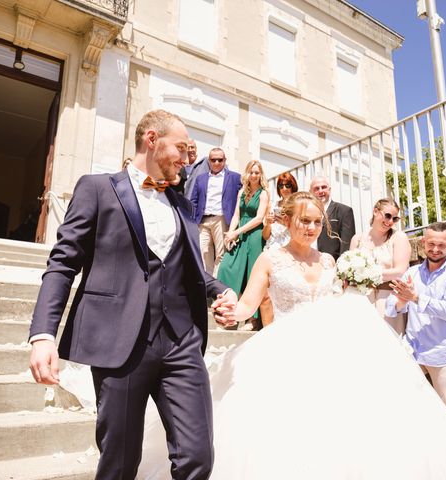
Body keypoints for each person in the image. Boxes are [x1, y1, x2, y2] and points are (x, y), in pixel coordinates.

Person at [135, 191, 446, 479]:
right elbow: (248, 305)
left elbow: (340, 306)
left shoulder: (330, 263)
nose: (311, 227)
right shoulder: (270, 259)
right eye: (305, 220)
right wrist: (232, 313)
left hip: (327, 354)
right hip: (285, 352)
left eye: (317, 222)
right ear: (288, 221)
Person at [28, 109, 237, 480]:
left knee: (197, 458)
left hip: (181, 342)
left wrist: (220, 290)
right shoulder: (97, 188)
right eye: (182, 148)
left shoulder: (183, 204)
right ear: (152, 140)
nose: (189, 159)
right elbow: (62, 263)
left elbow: (189, 268)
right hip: (119, 340)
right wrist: (44, 334)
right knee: (120, 462)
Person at [385, 222, 446, 405]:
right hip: (412, 351)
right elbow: (391, 306)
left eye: (441, 245)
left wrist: (415, 297)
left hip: (442, 355)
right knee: (408, 405)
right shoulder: (412, 272)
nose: (435, 249)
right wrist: (403, 299)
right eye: (431, 244)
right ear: (423, 242)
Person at [217, 160, 269, 330]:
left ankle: (252, 320)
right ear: (247, 173)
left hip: (254, 235)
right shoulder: (241, 192)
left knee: (251, 274)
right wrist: (229, 234)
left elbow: (259, 218)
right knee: (226, 267)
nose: (254, 175)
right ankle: (227, 311)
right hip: (239, 233)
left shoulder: (263, 194)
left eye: (257, 172)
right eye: (252, 172)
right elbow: (236, 215)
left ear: (261, 175)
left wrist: (237, 232)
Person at [349, 198, 411, 335]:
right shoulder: (357, 239)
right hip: (362, 300)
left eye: (395, 219)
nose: (390, 222)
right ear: (376, 211)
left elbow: (400, 271)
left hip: (387, 301)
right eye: (387, 215)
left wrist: (370, 274)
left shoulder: (398, 237)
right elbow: (350, 270)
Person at [189, 148, 241, 276]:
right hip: (203, 221)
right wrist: (193, 221)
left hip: (222, 219)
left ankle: (217, 288)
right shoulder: (201, 178)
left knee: (221, 254)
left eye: (220, 160)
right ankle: (209, 285)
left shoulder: (235, 177)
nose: (217, 162)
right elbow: (193, 201)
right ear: (208, 161)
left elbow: (244, 197)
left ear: (225, 160)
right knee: (202, 251)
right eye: (213, 160)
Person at [260, 172, 298, 326]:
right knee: (267, 291)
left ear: (293, 186)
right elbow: (265, 236)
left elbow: (300, 231)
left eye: (287, 185)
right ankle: (266, 326)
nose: (284, 189)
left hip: (289, 247)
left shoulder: (298, 204)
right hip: (273, 247)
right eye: (281, 186)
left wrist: (286, 224)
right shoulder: (273, 205)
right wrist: (268, 223)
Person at [310, 175, 355, 260]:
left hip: (331, 264)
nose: (320, 191)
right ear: (311, 192)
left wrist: (341, 267)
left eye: (323, 187)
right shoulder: (306, 212)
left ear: (329, 189)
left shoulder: (344, 211)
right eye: (316, 188)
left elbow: (347, 244)